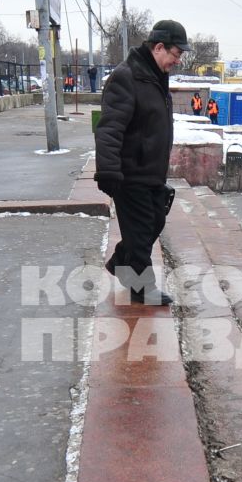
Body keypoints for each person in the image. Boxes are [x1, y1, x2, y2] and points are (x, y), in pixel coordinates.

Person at [96, 19, 187, 306]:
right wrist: (109, 170)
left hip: (151, 172)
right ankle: (141, 289)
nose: (177, 60)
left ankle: (120, 264)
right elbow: (110, 127)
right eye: (175, 54)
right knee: (139, 233)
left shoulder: (154, 77)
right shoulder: (128, 77)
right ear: (159, 47)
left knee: (153, 222)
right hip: (129, 172)